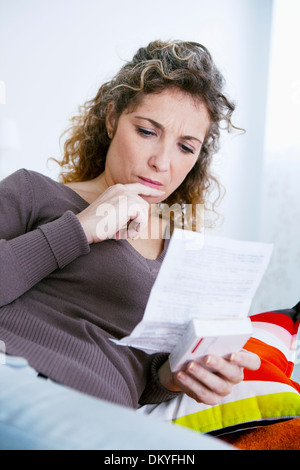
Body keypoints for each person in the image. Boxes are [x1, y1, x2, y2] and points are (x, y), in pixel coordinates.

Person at [0, 40, 260, 449]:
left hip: (101, 425)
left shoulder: (183, 253)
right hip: (14, 374)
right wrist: (81, 228)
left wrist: (171, 378)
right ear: (110, 119)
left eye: (185, 147)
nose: (161, 161)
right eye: (146, 131)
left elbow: (140, 377)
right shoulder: (35, 193)